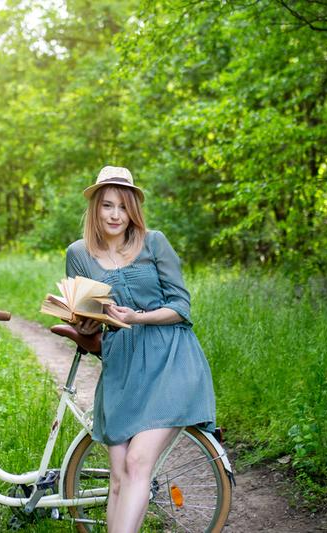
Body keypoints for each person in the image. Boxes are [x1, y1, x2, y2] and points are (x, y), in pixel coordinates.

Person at [65, 165, 217, 533]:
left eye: (122, 205)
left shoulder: (154, 242)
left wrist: (139, 317)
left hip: (170, 360)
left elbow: (181, 308)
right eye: (106, 206)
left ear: (132, 208)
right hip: (122, 367)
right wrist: (84, 321)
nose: (115, 215)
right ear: (95, 210)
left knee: (137, 463)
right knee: (117, 477)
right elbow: (85, 313)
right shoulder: (78, 253)